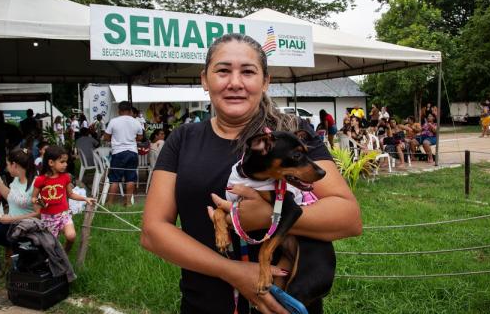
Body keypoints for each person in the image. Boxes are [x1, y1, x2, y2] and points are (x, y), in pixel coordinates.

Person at [141, 34, 362, 314]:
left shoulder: (291, 134)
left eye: (248, 71)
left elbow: (348, 218)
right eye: (222, 71)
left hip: (289, 302)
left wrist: (267, 218)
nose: (235, 83)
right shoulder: (184, 139)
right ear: (205, 80)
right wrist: (232, 271)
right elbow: (153, 231)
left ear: (265, 81)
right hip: (203, 305)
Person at [0, 148, 39, 289]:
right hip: (11, 225)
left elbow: (39, 214)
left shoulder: (36, 183)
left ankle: (15, 254)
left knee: (20, 265)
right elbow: (11, 197)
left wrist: (12, 219)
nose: (6, 167)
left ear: (15, 165)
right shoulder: (16, 180)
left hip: (26, 229)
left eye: (7, 164)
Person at [32, 146, 95, 252]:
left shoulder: (65, 177)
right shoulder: (40, 180)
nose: (65, 164)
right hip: (48, 217)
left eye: (66, 162)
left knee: (71, 236)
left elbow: (70, 194)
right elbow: (33, 197)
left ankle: (65, 254)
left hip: (63, 214)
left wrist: (85, 199)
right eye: (62, 162)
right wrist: (38, 202)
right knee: (50, 245)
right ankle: (53, 259)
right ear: (51, 162)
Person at [103, 101, 143, 206]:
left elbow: (106, 137)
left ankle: (110, 203)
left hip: (118, 153)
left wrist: (116, 138)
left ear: (119, 110)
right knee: (131, 178)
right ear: (130, 111)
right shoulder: (136, 122)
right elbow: (140, 137)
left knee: (115, 179)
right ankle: (128, 203)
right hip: (132, 152)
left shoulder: (113, 121)